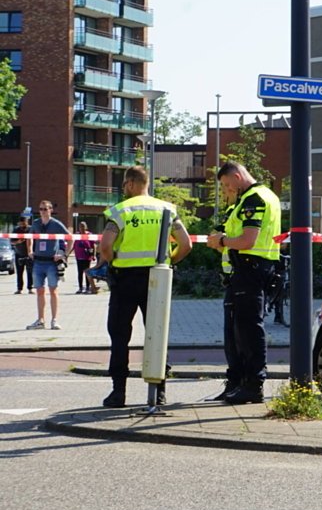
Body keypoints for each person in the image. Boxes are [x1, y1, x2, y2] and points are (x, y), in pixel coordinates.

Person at [99, 166, 192, 408]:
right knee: (157, 335)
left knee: (120, 336)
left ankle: (118, 393)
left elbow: (105, 246)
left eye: (123, 185)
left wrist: (112, 260)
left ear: (130, 183)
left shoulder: (121, 210)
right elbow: (186, 244)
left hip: (125, 280)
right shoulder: (167, 209)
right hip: (157, 280)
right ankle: (159, 392)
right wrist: (168, 261)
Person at [206, 161, 282, 404]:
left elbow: (248, 240)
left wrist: (223, 240)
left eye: (228, 184)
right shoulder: (251, 198)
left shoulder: (254, 198)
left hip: (251, 268)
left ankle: (253, 384)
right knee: (236, 329)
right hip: (244, 271)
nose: (227, 190)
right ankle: (237, 383)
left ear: (238, 176)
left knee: (248, 328)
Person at [26, 201, 71, 330]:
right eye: (40, 209)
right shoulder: (36, 223)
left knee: (53, 290)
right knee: (39, 291)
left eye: (45, 209)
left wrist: (64, 254)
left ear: (51, 210)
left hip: (51, 262)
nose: (42, 211)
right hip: (38, 262)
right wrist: (30, 250)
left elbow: (70, 238)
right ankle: (40, 320)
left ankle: (54, 320)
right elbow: (29, 236)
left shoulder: (56, 224)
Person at [11, 216, 33, 294]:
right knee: (19, 272)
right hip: (19, 253)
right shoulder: (16, 230)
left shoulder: (30, 229)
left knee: (30, 272)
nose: (22, 225)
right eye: (21, 223)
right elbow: (12, 241)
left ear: (27, 222)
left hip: (29, 254)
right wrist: (18, 242)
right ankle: (19, 288)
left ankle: (30, 288)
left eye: (24, 223)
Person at [73, 222, 96, 294]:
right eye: (80, 226)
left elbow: (94, 245)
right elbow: (73, 244)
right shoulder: (76, 235)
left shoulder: (89, 235)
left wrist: (94, 255)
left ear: (86, 227)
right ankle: (80, 288)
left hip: (87, 256)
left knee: (87, 272)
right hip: (79, 256)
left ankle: (87, 288)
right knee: (80, 272)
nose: (82, 228)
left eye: (83, 226)